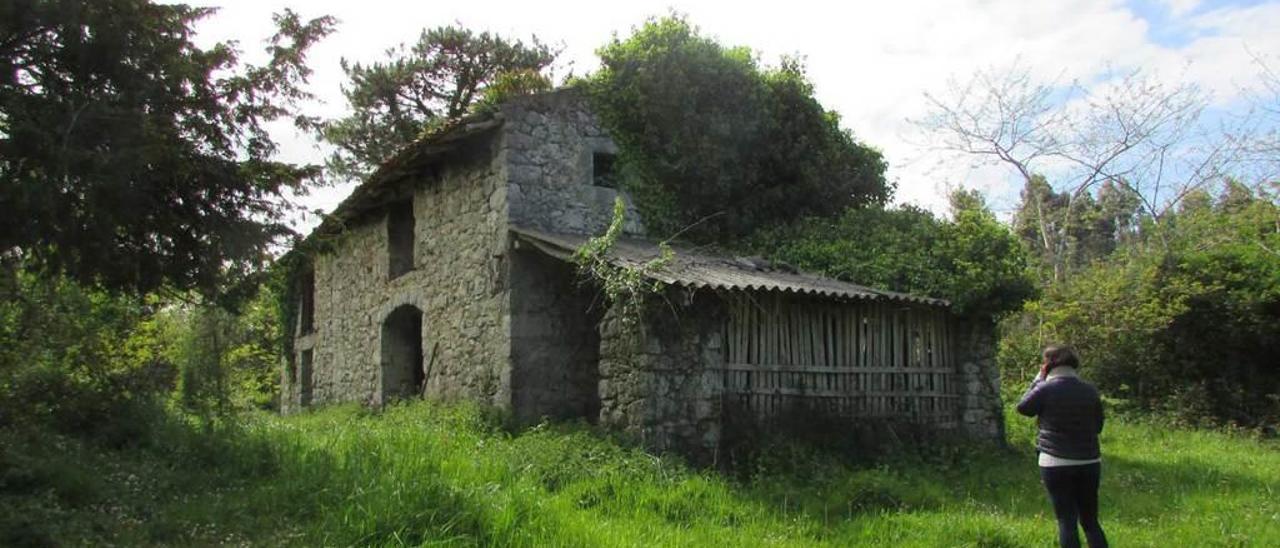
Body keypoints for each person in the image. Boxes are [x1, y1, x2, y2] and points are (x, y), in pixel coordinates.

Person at [1016, 345, 1109, 548]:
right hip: (1089, 460)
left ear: (1047, 365)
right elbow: (1098, 426)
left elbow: (1023, 408)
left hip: (1054, 460)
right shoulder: (1089, 390)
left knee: (1067, 521)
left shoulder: (1045, 388)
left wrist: (1037, 380)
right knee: (1090, 521)